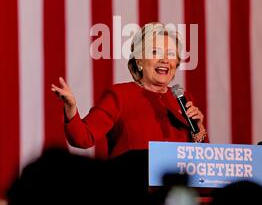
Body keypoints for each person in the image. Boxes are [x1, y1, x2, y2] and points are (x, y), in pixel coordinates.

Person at [51, 22, 208, 157]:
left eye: (171, 54)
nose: (165, 59)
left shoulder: (183, 99)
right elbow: (83, 139)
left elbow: (202, 161)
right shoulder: (120, 96)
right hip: (133, 189)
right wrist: (71, 108)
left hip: (176, 190)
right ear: (139, 61)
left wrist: (198, 130)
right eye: (155, 52)